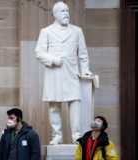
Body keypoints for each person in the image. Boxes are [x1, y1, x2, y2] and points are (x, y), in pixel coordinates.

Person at [35, 1, 92, 144]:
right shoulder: (46, 31)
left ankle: (77, 135)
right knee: (54, 105)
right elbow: (39, 52)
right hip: (54, 72)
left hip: (72, 72)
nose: (66, 13)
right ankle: (57, 135)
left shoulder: (77, 31)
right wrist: (53, 59)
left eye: (67, 11)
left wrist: (84, 70)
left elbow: (83, 54)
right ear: (55, 14)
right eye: (62, 11)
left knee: (75, 102)